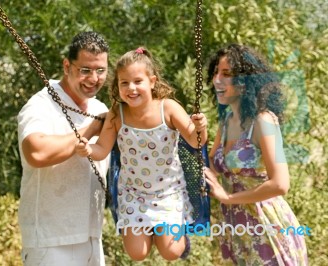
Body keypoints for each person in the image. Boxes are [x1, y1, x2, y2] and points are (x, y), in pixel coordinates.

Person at [75, 47, 208, 261]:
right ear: (117, 86)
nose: (131, 88)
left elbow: (195, 141)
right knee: (137, 254)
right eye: (124, 83)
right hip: (133, 194)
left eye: (138, 81)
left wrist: (200, 127)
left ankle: (175, 229)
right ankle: (155, 231)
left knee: (172, 252)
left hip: (168, 191)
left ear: (152, 81)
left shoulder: (169, 108)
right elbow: (101, 150)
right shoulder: (116, 115)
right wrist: (88, 149)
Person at [204, 43, 308, 265]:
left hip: (269, 229)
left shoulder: (263, 121)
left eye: (227, 74)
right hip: (237, 231)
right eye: (215, 72)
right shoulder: (226, 120)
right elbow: (212, 162)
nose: (217, 80)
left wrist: (228, 198)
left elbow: (281, 184)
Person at [17, 31, 110, 266]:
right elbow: (36, 153)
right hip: (51, 242)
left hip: (92, 239)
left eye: (100, 71)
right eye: (85, 70)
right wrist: (91, 130)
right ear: (67, 66)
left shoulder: (100, 106)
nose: (94, 78)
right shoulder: (41, 104)